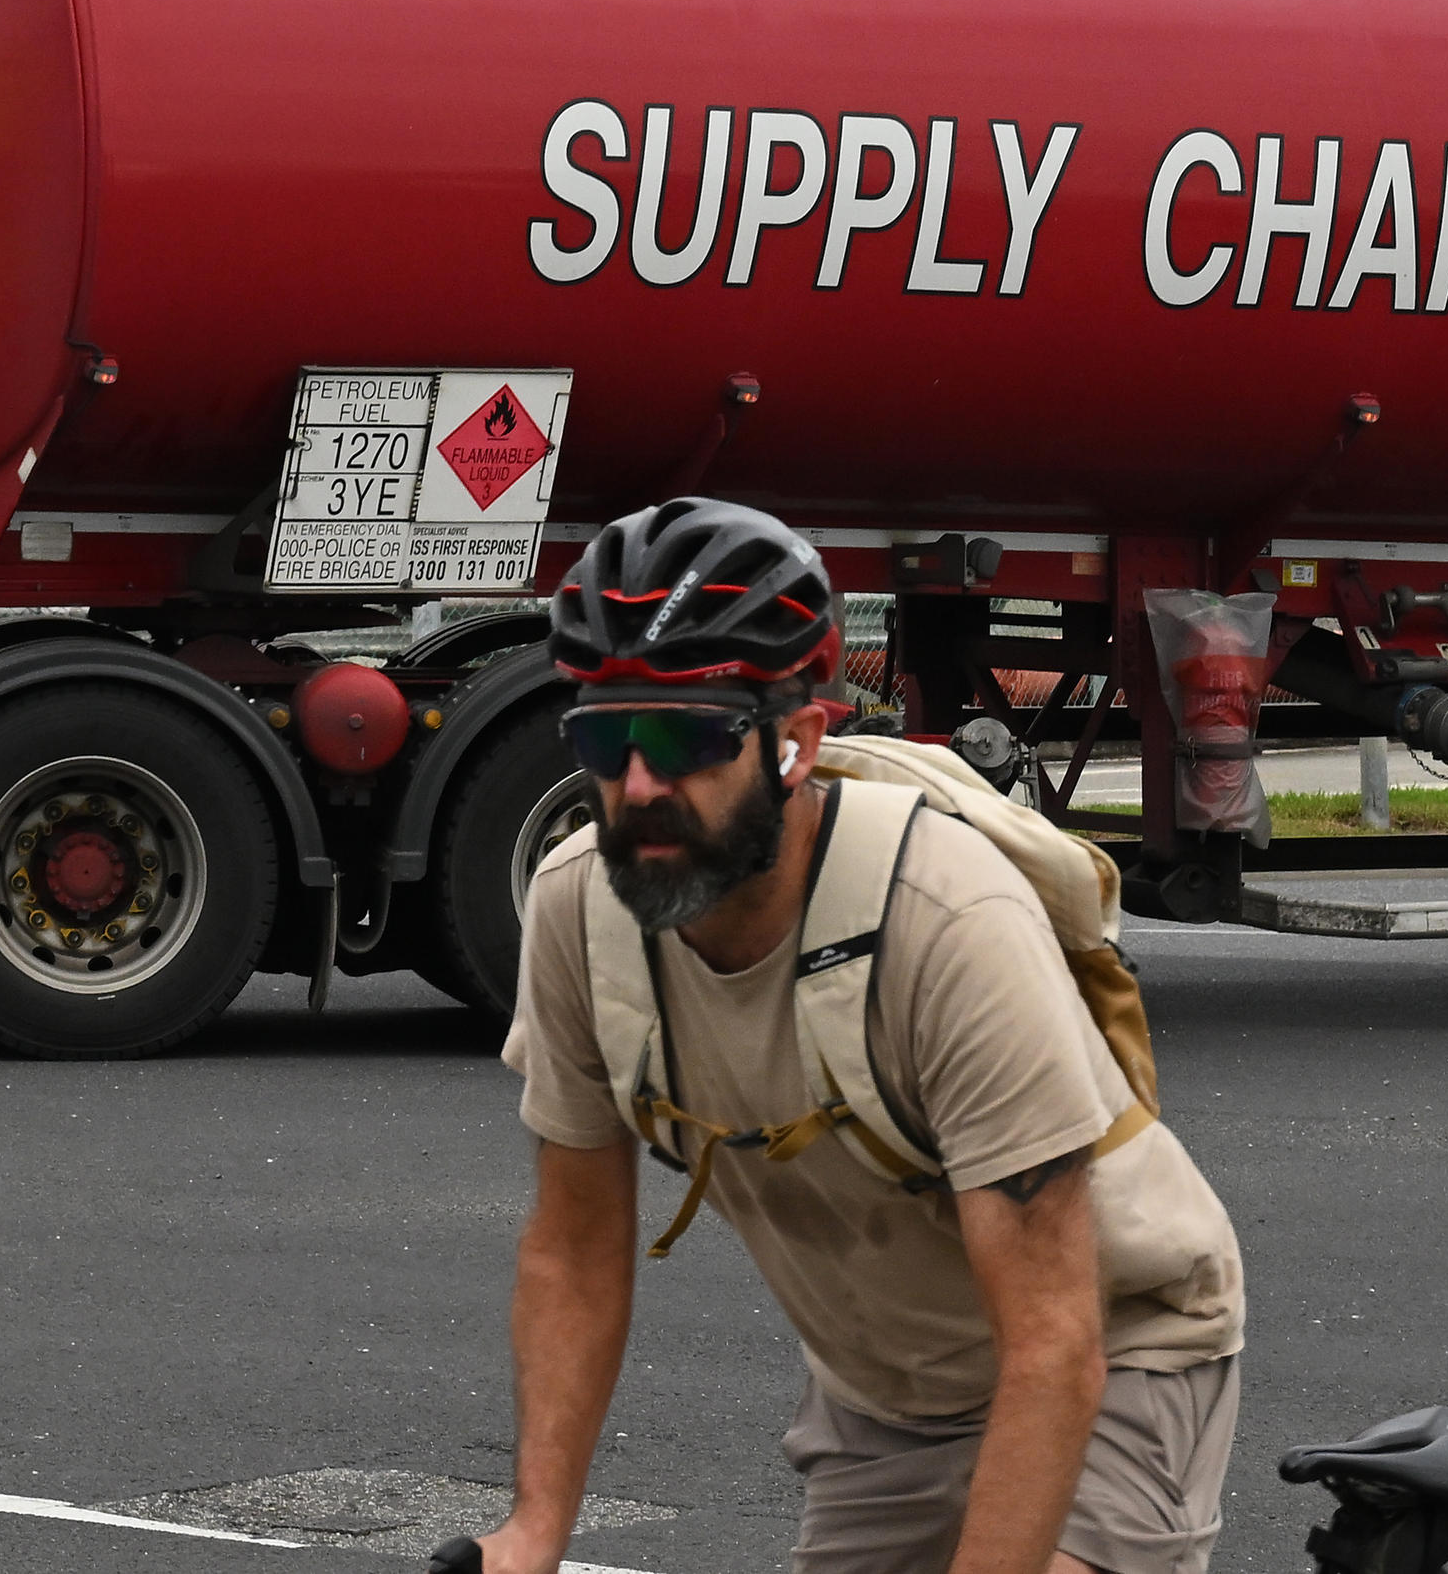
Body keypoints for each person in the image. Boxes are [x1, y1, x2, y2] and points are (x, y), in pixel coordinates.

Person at [456, 497, 1246, 1574]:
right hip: (883, 1391)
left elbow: (1053, 1340)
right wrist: (533, 1533)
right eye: (603, 738)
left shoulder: (943, 919)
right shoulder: (577, 910)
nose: (634, 787)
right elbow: (572, 1248)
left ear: (797, 743)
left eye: (683, 737)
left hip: (1116, 1344)